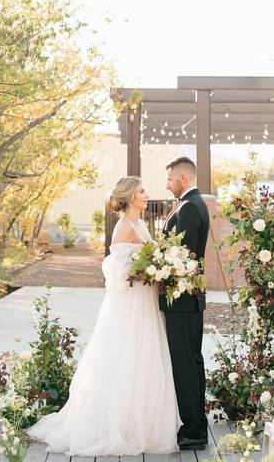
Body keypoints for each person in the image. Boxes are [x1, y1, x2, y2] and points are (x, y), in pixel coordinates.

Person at [27, 177, 181, 456]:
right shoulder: (124, 227)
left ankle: (143, 424)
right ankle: (119, 426)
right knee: (128, 356)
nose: (147, 195)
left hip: (145, 301)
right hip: (131, 304)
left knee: (145, 357)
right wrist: (147, 271)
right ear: (131, 196)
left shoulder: (140, 224)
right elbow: (116, 274)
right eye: (142, 191)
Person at [162, 156, 210, 450]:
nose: (166, 185)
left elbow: (184, 256)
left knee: (186, 365)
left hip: (182, 300)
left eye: (169, 180)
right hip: (187, 301)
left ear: (183, 178)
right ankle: (197, 424)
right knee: (192, 362)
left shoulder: (190, 206)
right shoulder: (191, 204)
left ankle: (193, 429)